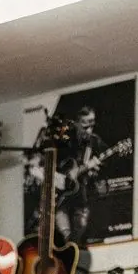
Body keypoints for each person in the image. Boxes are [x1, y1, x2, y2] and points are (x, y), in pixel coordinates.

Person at [54, 105, 111, 245]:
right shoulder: (65, 139)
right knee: (63, 233)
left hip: (81, 194)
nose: (89, 130)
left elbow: (105, 165)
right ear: (76, 123)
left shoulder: (95, 141)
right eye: (85, 127)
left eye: (92, 125)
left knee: (80, 228)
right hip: (60, 195)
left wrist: (94, 170)